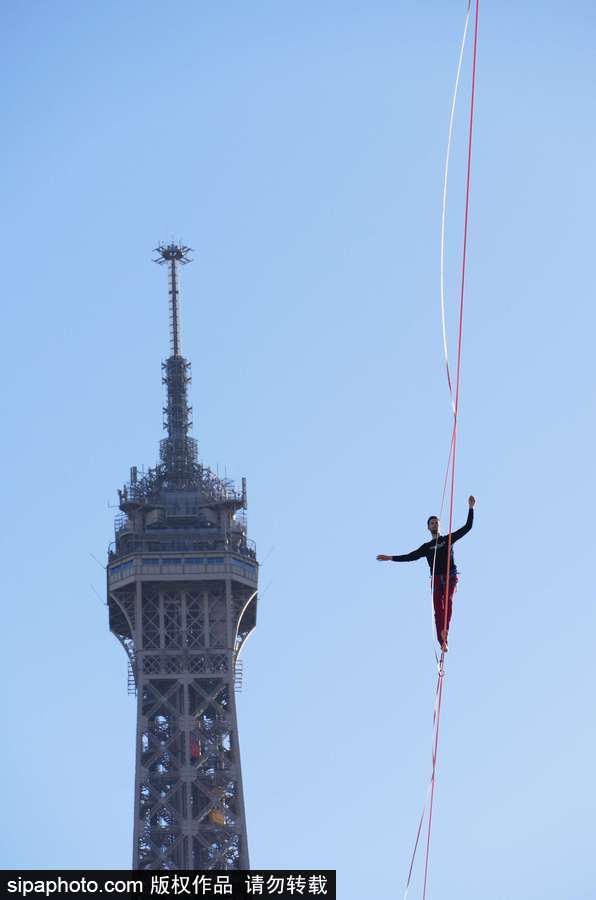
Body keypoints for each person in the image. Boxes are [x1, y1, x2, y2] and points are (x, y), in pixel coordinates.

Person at [377, 496, 476, 651]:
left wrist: (471, 508)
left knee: (448, 603)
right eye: (432, 523)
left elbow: (467, 527)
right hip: (436, 579)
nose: (434, 524)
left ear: (439, 525)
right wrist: (390, 558)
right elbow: (410, 556)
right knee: (438, 609)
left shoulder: (448, 539)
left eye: (436, 522)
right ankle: (442, 642)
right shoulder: (426, 547)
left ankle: (445, 632)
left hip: (450, 576)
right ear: (428, 528)